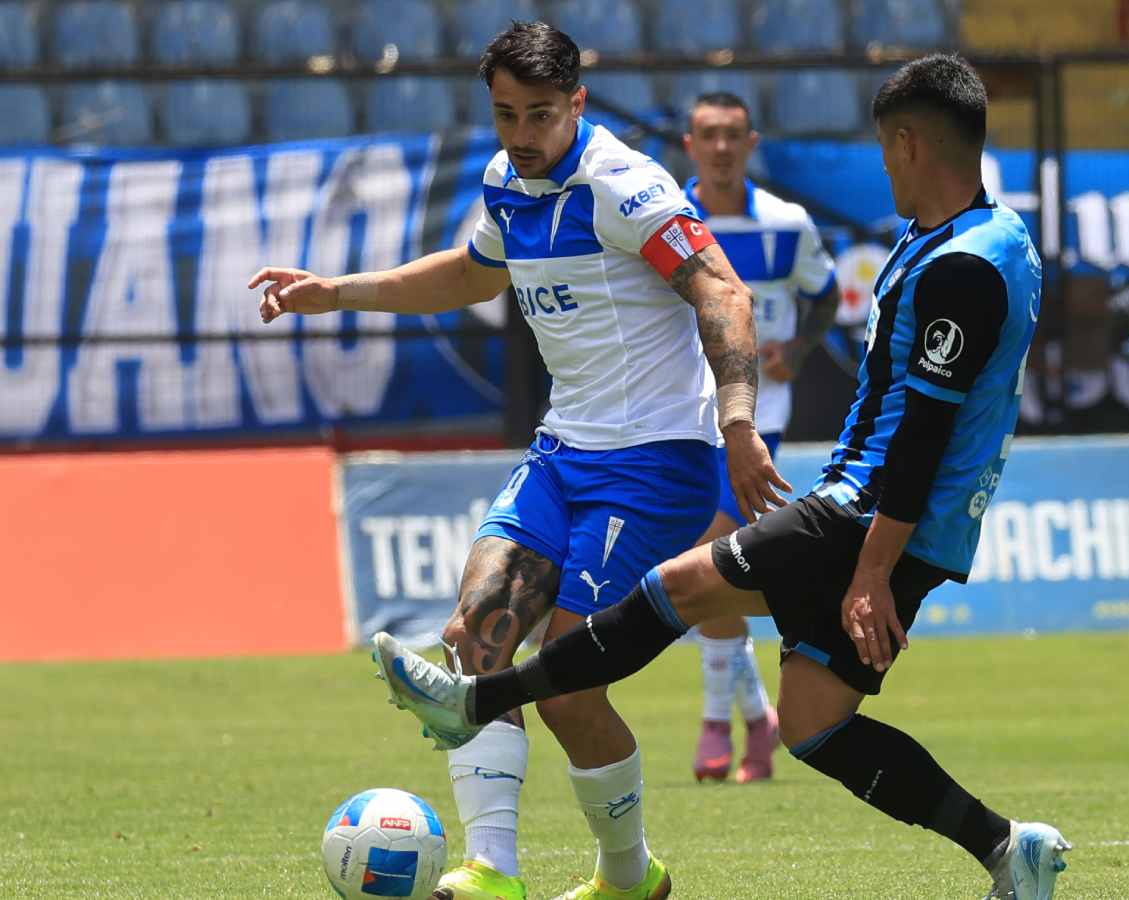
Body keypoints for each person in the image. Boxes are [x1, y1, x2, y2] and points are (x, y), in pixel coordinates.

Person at [373, 54, 1072, 900]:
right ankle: (1008, 849)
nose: (883, 165)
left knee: (679, 586)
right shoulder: (970, 242)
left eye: (887, 150)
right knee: (814, 725)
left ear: (909, 143)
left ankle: (477, 703)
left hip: (868, 513)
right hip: (892, 517)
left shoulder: (965, 267)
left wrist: (873, 570)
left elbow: (924, 434)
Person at [257, 22, 788, 900]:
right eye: (506, 115)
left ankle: (629, 876)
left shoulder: (624, 189)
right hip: (563, 449)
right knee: (476, 640)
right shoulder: (511, 183)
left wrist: (738, 425)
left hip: (656, 461)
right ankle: (490, 872)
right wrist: (337, 293)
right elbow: (471, 273)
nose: (522, 135)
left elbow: (721, 289)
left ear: (577, 103)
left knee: (569, 691)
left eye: (541, 115)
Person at [678, 90, 842, 784]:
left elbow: (827, 293)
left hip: (755, 421)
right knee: (707, 579)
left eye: (733, 136)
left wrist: (797, 350)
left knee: (705, 567)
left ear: (751, 144)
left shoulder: (786, 224)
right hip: (680, 419)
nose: (720, 147)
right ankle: (756, 721)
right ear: (689, 144)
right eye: (708, 135)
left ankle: (720, 725)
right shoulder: (669, 222)